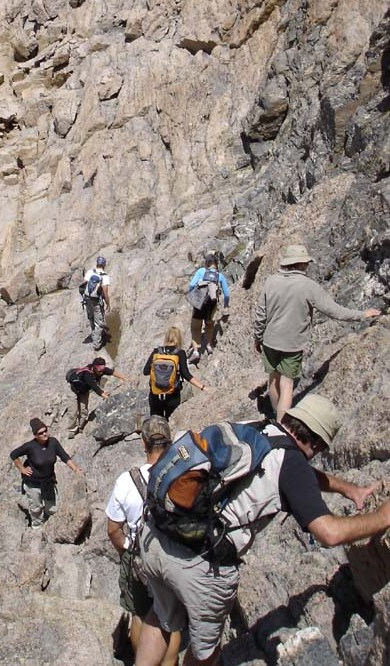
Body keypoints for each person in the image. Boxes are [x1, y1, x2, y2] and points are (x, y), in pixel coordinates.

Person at [134, 394, 390, 666]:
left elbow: (298, 475)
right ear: (317, 443)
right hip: (201, 565)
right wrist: (381, 517)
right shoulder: (291, 464)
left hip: (158, 535)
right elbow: (329, 533)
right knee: (206, 653)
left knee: (160, 617)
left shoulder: (257, 429)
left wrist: (349, 489)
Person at [253, 244, 381, 420]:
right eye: (305, 263)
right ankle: (281, 425)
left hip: (269, 340)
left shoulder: (271, 281)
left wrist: (257, 338)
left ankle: (273, 415)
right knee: (287, 384)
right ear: (300, 264)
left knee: (273, 379)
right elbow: (334, 311)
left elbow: (260, 314)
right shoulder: (309, 286)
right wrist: (362, 315)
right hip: (293, 344)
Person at [106, 416, 182, 664]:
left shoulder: (127, 480)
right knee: (173, 616)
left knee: (140, 613)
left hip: (139, 556)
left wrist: (127, 550)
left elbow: (113, 530)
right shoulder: (182, 473)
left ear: (143, 443)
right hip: (174, 554)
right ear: (169, 443)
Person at [10, 418, 82, 528]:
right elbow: (14, 454)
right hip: (33, 483)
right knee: (36, 507)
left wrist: (75, 469)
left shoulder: (53, 442)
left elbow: (64, 456)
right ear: (35, 435)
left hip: (48, 481)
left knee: (51, 508)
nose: (44, 434)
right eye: (40, 433)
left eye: (45, 431)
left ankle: (52, 526)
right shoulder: (30, 446)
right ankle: (37, 526)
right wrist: (22, 469)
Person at [142, 326, 209, 419]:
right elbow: (186, 375)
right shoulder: (180, 353)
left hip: (155, 395)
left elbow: (145, 371)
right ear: (179, 338)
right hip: (172, 396)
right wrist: (203, 387)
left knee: (157, 425)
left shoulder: (157, 351)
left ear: (167, 337)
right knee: (171, 424)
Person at [66, 357, 130, 437]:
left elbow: (113, 372)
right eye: (99, 370)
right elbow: (96, 389)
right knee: (73, 411)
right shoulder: (88, 375)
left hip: (84, 391)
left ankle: (80, 426)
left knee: (84, 410)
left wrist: (124, 378)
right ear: (94, 367)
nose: (101, 372)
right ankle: (72, 430)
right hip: (73, 389)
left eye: (102, 370)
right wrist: (109, 399)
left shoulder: (101, 370)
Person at [187, 252, 230, 363]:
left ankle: (196, 352)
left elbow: (191, 285)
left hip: (199, 303)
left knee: (196, 327)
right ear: (216, 264)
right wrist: (225, 306)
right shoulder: (220, 276)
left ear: (206, 263)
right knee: (209, 324)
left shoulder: (201, 271)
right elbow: (227, 293)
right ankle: (209, 345)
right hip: (212, 304)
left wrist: (192, 295)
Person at [82, 255, 112, 350]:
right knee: (99, 322)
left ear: (97, 264)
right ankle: (96, 344)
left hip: (87, 298)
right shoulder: (104, 276)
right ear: (104, 265)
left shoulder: (90, 272)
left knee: (91, 318)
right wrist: (108, 303)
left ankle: (94, 334)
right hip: (96, 301)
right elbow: (105, 292)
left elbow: (83, 285)